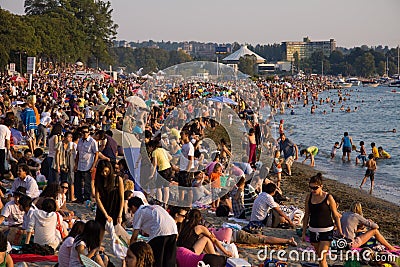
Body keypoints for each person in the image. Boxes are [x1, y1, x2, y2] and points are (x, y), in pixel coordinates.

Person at [302, 173, 342, 267]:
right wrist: (304, 233)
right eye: (311, 188)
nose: (312, 190)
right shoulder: (309, 197)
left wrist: (340, 230)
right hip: (313, 231)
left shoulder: (328, 197)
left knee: (322, 258)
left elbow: (335, 215)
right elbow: (306, 215)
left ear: (321, 186)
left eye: (315, 188)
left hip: (327, 231)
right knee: (320, 258)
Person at [128, 197, 178, 267]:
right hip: (173, 230)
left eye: (130, 210)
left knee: (156, 259)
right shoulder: (155, 207)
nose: (131, 212)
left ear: (133, 207)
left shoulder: (139, 212)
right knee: (168, 260)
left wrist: (130, 251)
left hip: (160, 233)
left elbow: (134, 237)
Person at [95, 160, 125, 239]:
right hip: (103, 208)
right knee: (99, 232)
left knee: (118, 235)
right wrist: (106, 215)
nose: (104, 174)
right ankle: (97, 249)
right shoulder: (99, 180)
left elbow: (122, 198)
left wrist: (120, 215)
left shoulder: (118, 179)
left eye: (106, 171)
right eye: (102, 172)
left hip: (115, 208)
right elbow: (97, 198)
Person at [74, 126, 99, 203]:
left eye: (86, 132)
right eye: (83, 132)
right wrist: (76, 164)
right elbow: (78, 153)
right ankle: (79, 198)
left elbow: (96, 154)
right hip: (80, 164)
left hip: (88, 164)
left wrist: (93, 165)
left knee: (87, 183)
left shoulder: (92, 141)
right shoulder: (80, 141)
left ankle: (87, 198)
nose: (85, 134)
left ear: (88, 133)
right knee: (78, 182)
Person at [178, 130, 194, 206]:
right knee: (181, 188)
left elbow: (191, 159)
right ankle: (181, 202)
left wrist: (187, 170)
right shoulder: (184, 145)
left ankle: (189, 204)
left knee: (189, 189)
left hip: (187, 169)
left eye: (182, 134)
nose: (181, 136)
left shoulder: (190, 146)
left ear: (187, 135)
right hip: (182, 168)